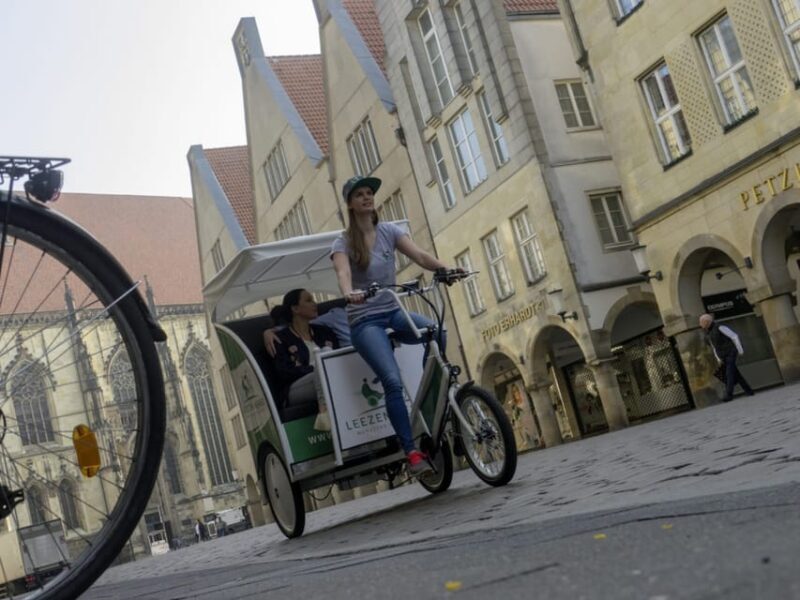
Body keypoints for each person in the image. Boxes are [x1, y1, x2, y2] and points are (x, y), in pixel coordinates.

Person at [331, 175, 460, 477]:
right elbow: (342, 273)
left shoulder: (389, 231)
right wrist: (350, 293)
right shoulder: (343, 242)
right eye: (359, 194)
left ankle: (431, 401)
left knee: (436, 332)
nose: (367, 197)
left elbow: (420, 255)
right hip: (365, 321)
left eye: (369, 193)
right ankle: (411, 451)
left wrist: (446, 269)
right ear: (350, 203)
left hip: (393, 309)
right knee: (391, 381)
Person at [268, 289, 339, 423]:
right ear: (295, 308)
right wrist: (316, 368)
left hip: (325, 378)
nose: (314, 303)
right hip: (295, 387)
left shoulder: (324, 332)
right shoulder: (280, 339)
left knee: (325, 358)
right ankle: (326, 411)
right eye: (308, 300)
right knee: (323, 361)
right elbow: (284, 372)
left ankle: (326, 413)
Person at [699, 313, 755, 402]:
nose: (700, 324)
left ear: (707, 322)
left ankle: (729, 394)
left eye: (701, 322)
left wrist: (740, 350)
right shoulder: (708, 333)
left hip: (730, 352)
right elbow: (714, 347)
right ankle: (749, 391)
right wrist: (718, 358)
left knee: (729, 373)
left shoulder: (720, 327)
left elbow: (734, 336)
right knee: (736, 374)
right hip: (722, 355)